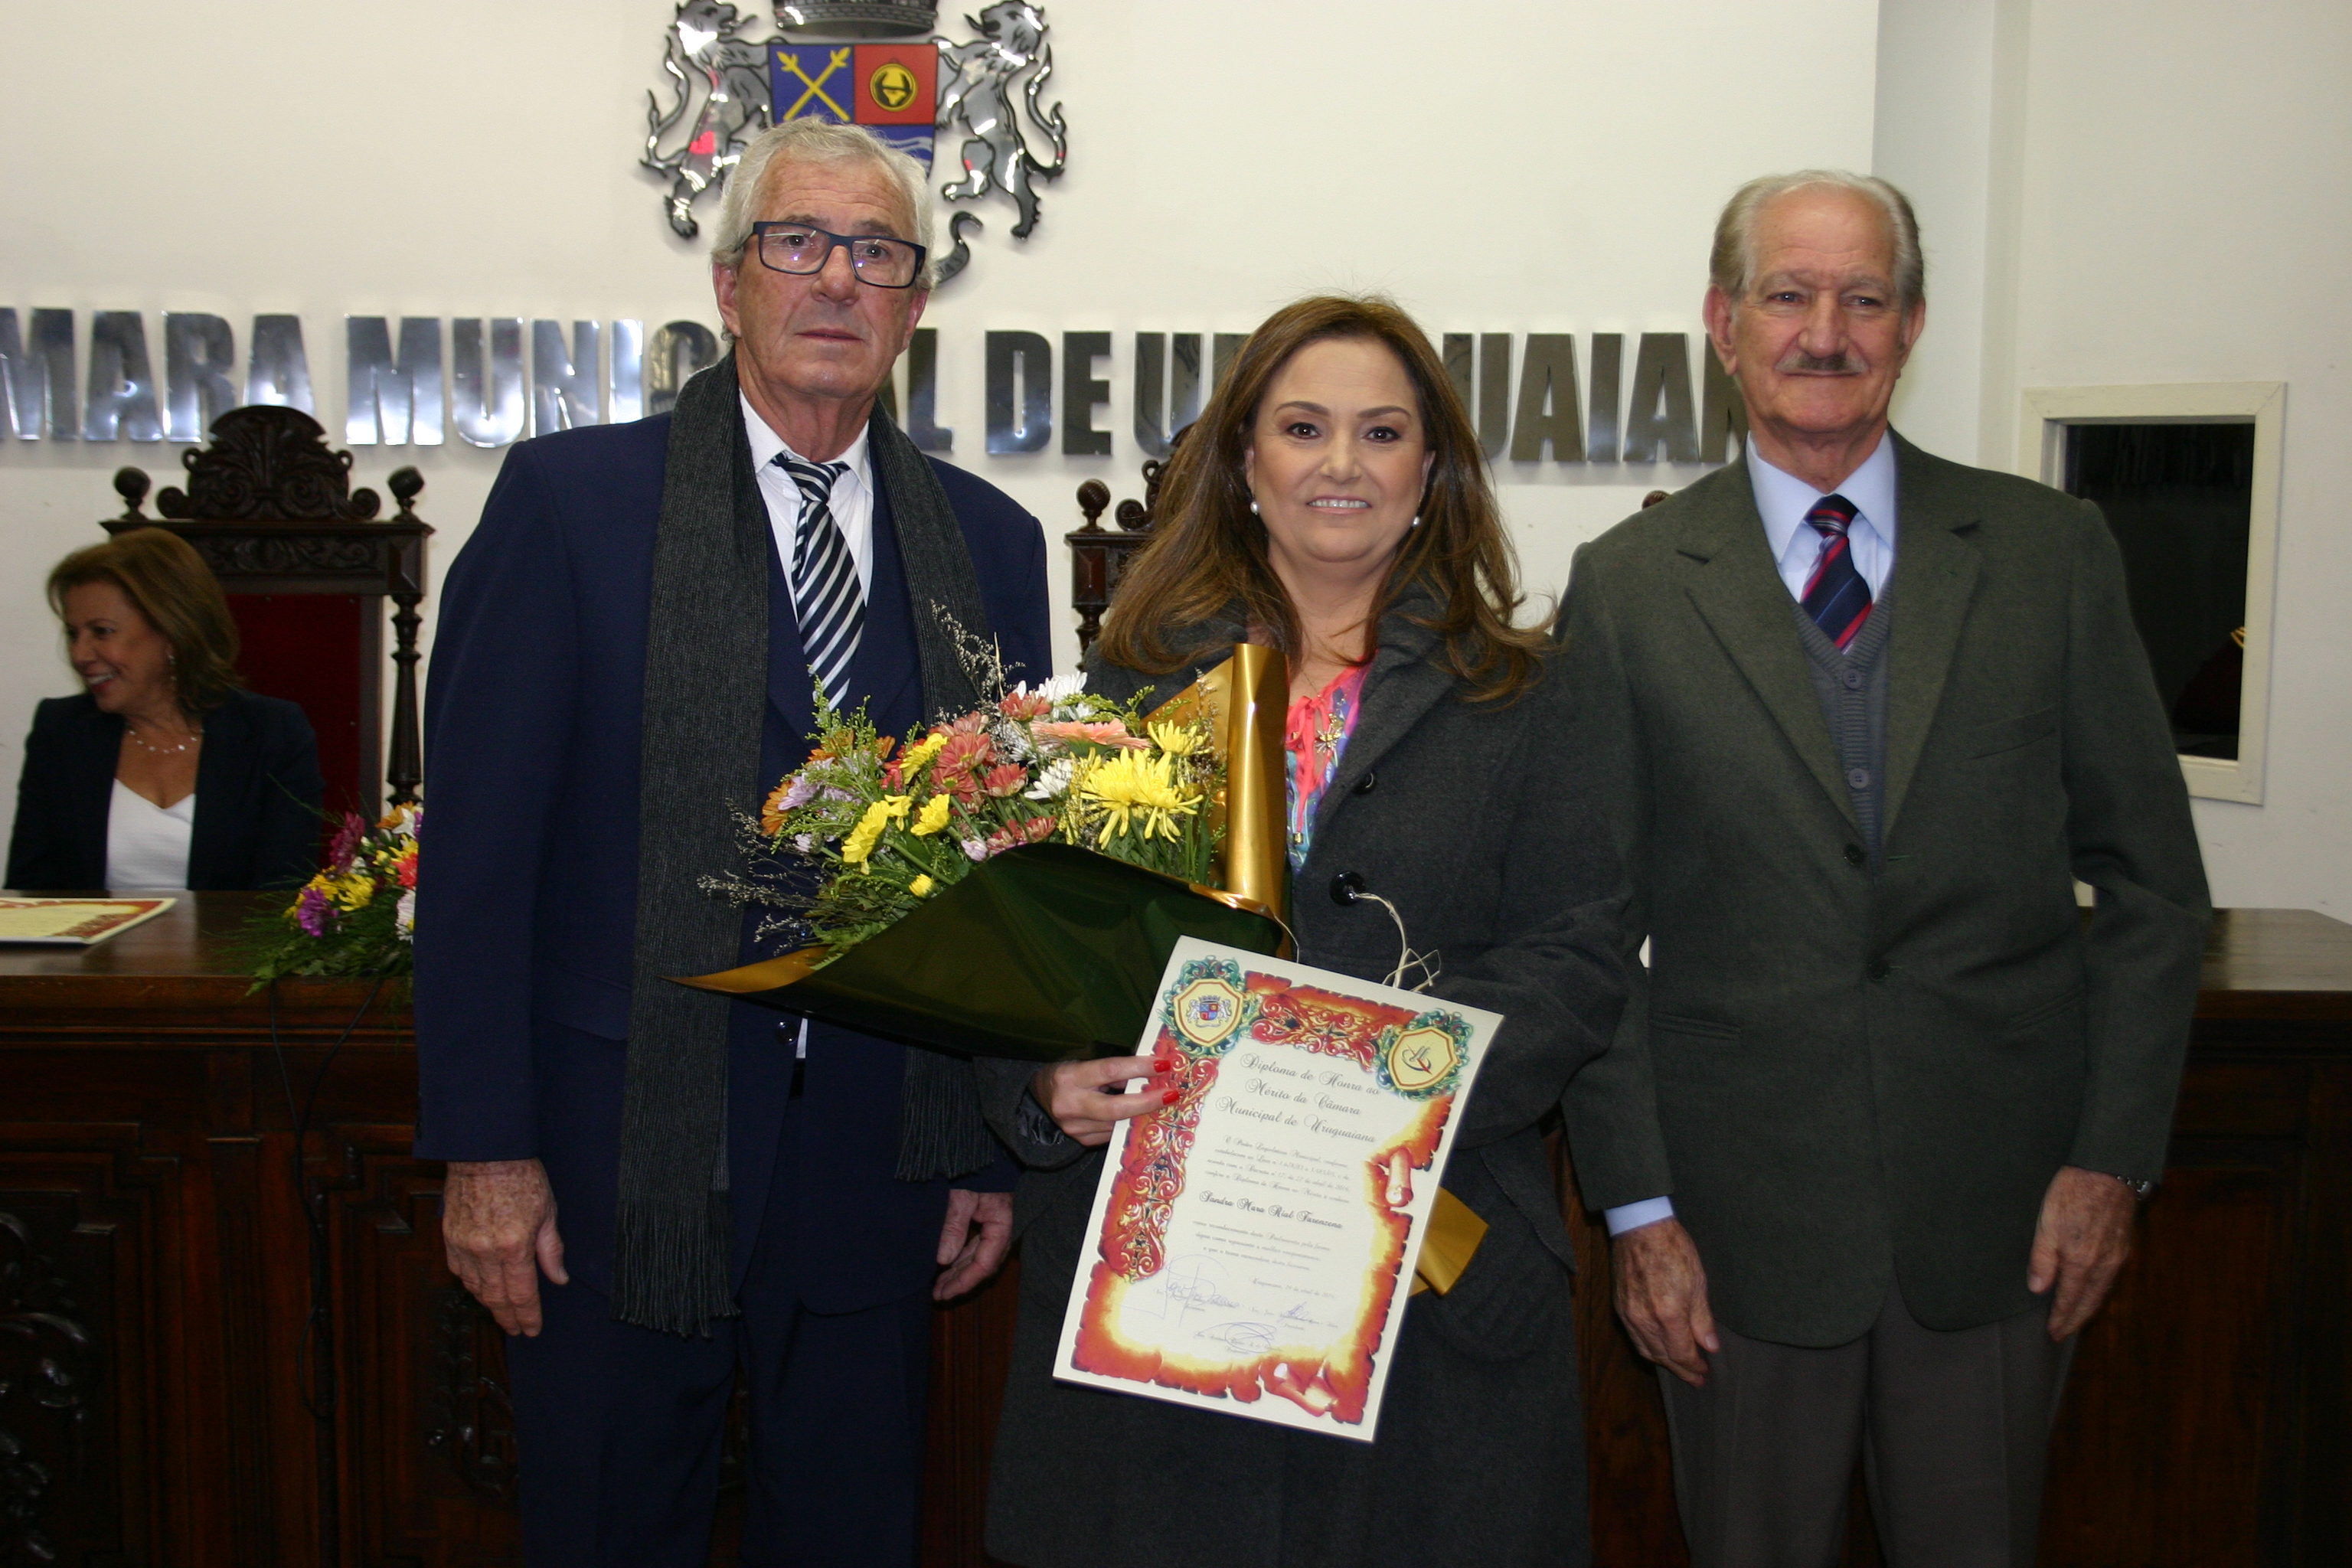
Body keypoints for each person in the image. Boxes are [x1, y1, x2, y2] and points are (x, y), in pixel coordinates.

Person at [412, 117, 1052, 1567]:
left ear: (915, 302)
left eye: (876, 253)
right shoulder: (571, 507)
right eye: (797, 241)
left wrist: (985, 1147)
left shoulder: (990, 544)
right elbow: (480, 867)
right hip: (617, 1166)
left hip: (877, 1165)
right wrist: (487, 1151)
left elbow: (1003, 876)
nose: (835, 279)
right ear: (728, 282)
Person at [1557, 170, 2211, 1566]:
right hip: (1731, 1238)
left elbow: (2155, 893)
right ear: (1723, 324)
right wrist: (1639, 1208)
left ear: (1911, 324)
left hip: (2005, 1224)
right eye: (1787, 295)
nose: (1825, 332)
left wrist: (2112, 1160)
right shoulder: (1627, 586)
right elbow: (1586, 930)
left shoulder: (2049, 556)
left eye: (1863, 298)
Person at [975, 295, 1628, 1568]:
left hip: (1429, 1277)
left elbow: (1579, 953)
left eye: (1381, 432)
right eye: (1303, 427)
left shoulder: (1527, 690)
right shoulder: (1128, 680)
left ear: (1430, 470)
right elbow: (1033, 950)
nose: (1342, 464)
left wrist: (1385, 1093)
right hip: (1164, 1281)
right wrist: (1043, 1082)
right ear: (1243, 460)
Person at [7, 527, 322, 891]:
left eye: (102, 632)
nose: (80, 654)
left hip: (230, 933)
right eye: (73, 634)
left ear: (172, 632)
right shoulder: (61, 731)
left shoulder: (272, 732)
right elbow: (30, 892)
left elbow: (283, 894)